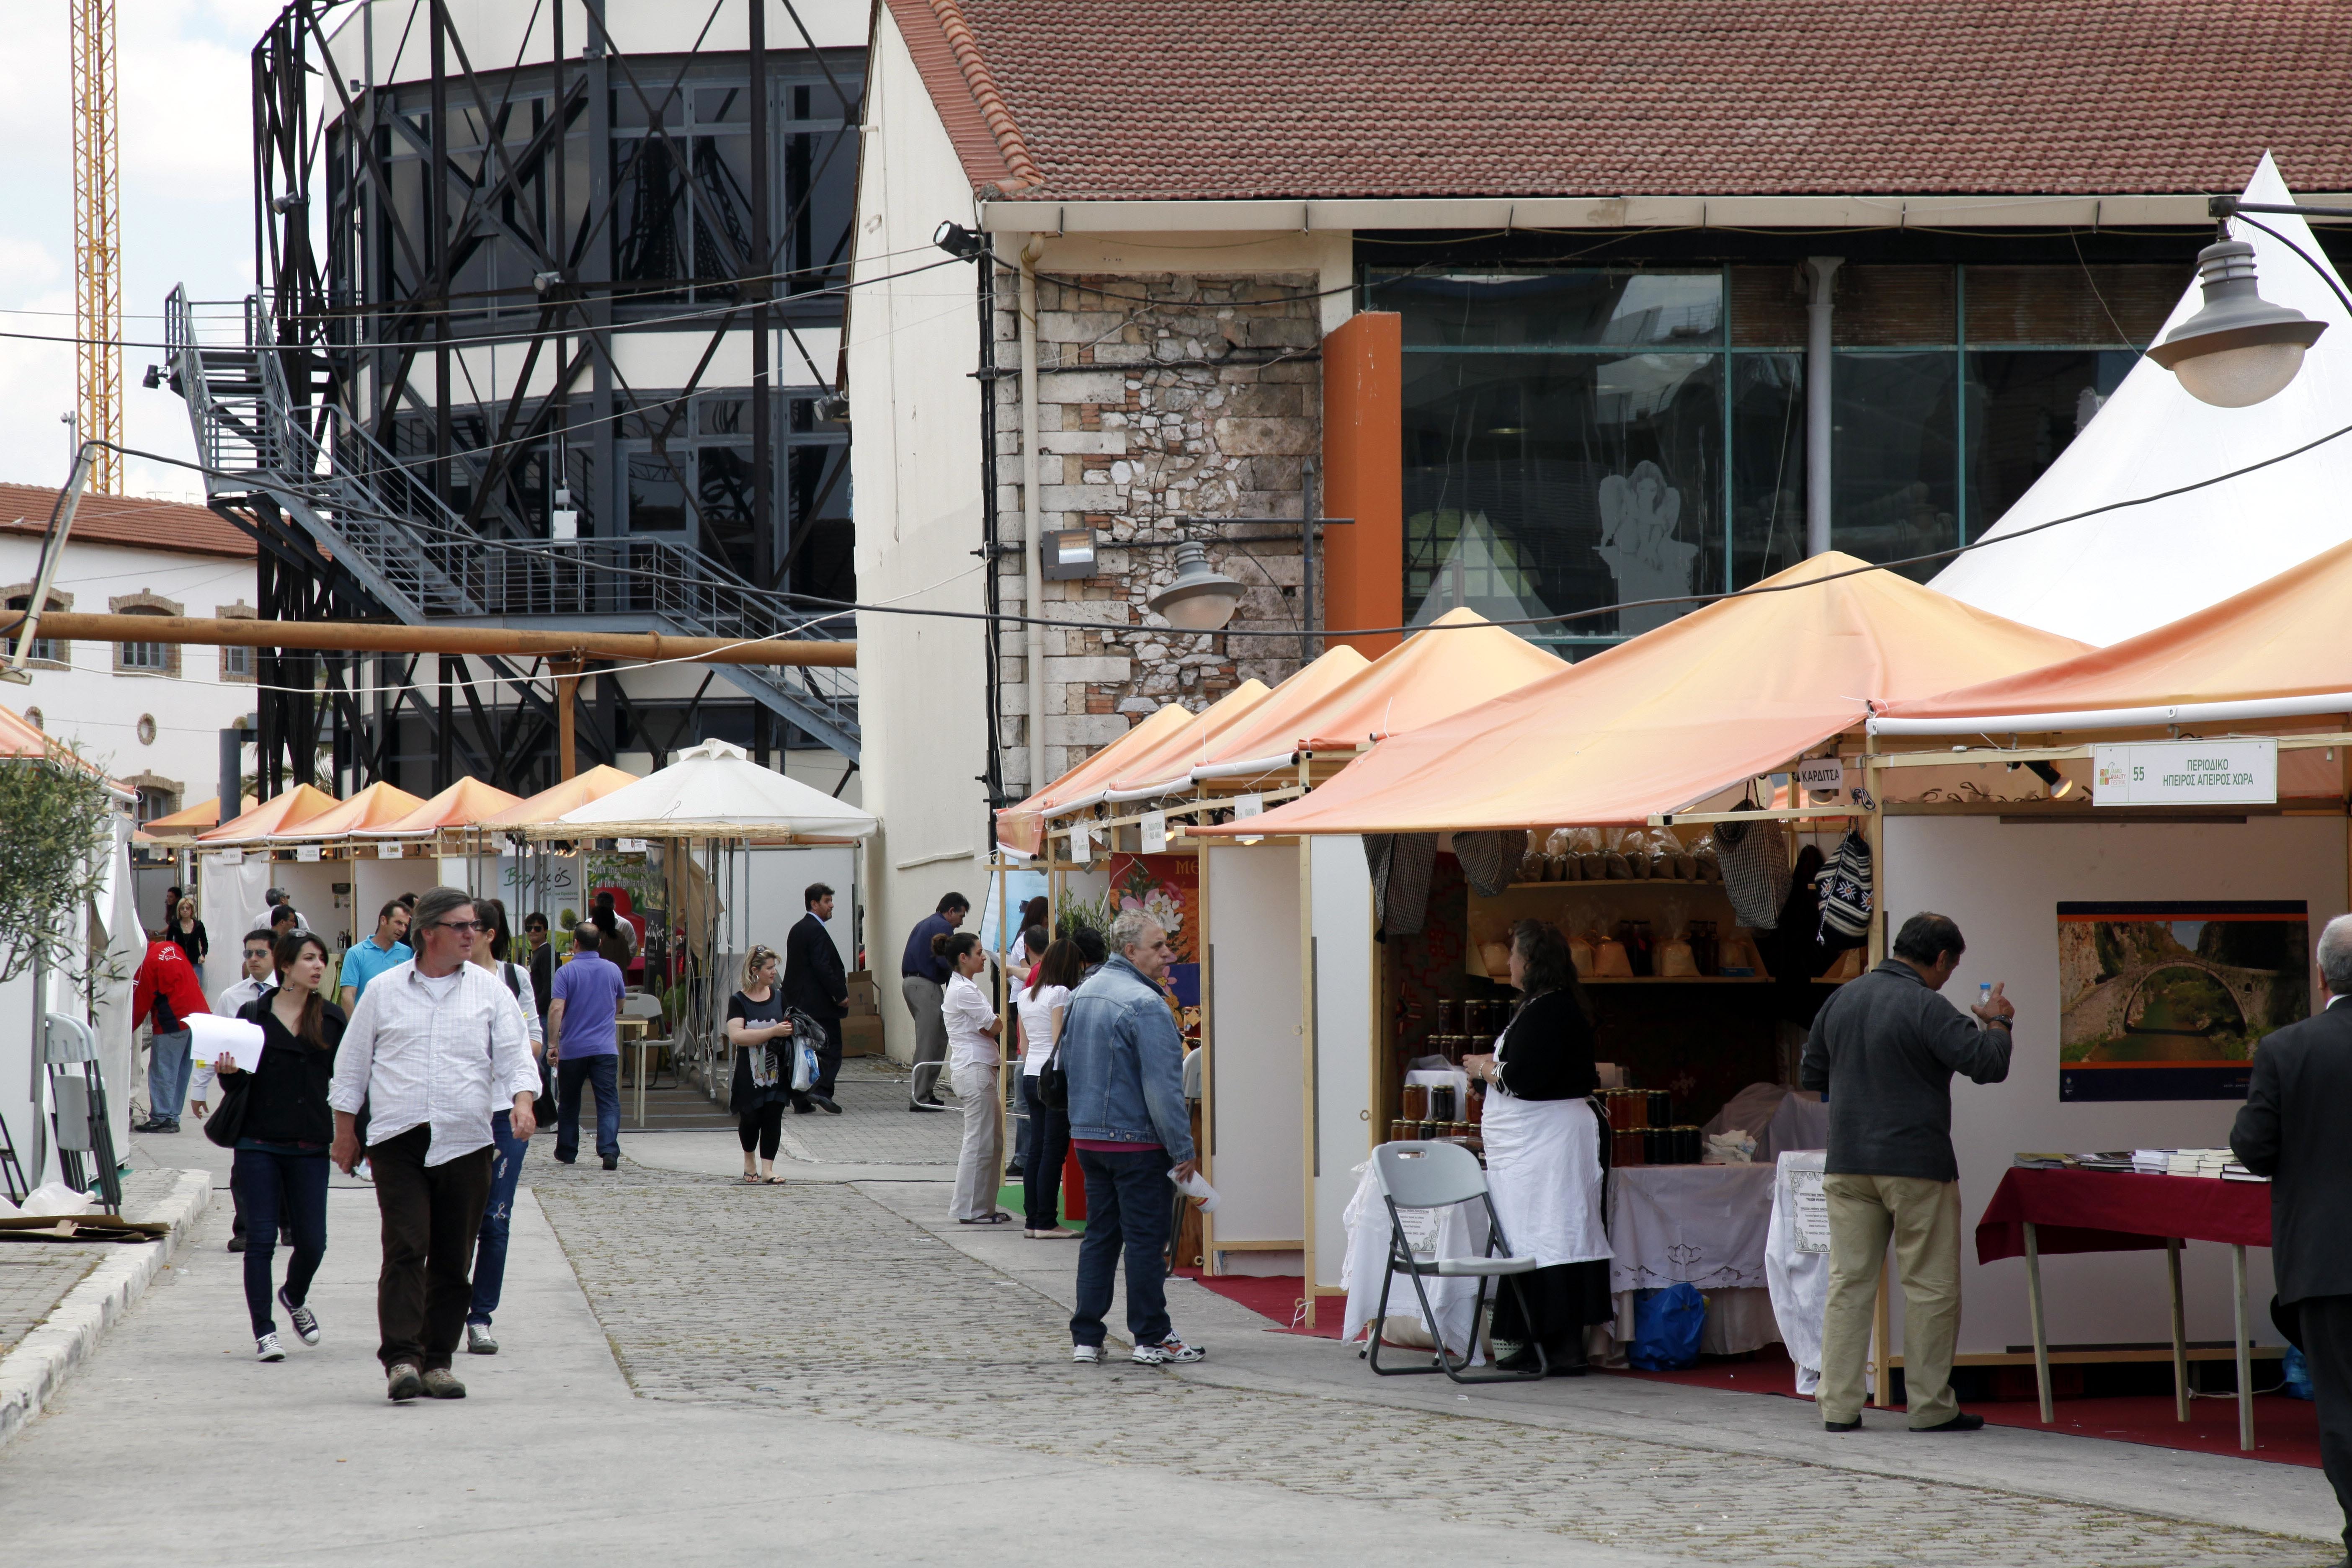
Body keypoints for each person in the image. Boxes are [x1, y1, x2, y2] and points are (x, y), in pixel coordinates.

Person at [1800, 911, 2013, 1434]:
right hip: (1917, 1166)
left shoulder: (1842, 999)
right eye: (1950, 967)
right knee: (1930, 1287)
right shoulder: (1928, 1007)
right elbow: (1988, 1066)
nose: (1947, 978)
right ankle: (1930, 1406)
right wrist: (1999, 1022)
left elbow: (1812, 1072)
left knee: (1848, 1284)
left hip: (1848, 1163)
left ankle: (1838, 1404)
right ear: (1940, 959)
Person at [328, 887, 537, 1402]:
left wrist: (523, 1101)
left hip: (466, 1139)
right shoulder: (384, 990)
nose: (473, 934)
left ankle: (438, 1360)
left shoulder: (491, 992)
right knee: (406, 1246)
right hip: (399, 1138)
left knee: (453, 1254)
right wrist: (345, 1132)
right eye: (461, 926)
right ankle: (401, 1358)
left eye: (475, 926)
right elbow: (352, 1066)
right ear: (429, 933)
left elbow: (515, 1056)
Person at [2232, 915, 2352, 1562]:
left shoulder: (2287, 1049)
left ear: (2321, 974)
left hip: (2328, 1257)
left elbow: (2254, 1148)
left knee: (2342, 1401)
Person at [1461, 920, 1610, 1375]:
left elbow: (1522, 1078)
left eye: (1514, 955)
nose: (1508, 962)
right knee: (1538, 1237)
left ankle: (1559, 1346)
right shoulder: (1547, 1007)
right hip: (1539, 1147)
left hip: (1552, 1147)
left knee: (1554, 1237)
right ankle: (1539, 1341)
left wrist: (1482, 1068)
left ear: (1530, 962)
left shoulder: (1549, 1011)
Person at [1061, 912, 1203, 1366]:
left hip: (1090, 1139)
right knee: (1144, 1241)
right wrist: (1183, 1149)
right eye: (1159, 946)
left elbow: (1066, 1067)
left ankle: (1087, 1337)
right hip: (1137, 1142)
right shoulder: (1146, 1004)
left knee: (1100, 1238)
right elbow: (1163, 1087)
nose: (1169, 954)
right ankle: (1151, 1336)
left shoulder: (1084, 993)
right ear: (1130, 951)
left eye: (1167, 945)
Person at [217, 930, 344, 1362]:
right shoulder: (253, 1014)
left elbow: (347, 1079)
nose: (319, 967)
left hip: (310, 1142)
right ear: (286, 966)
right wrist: (228, 1070)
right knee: (261, 1240)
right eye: (310, 959)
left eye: (322, 960)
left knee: (313, 1242)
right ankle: (264, 1331)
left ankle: (293, 1294)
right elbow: (233, 1083)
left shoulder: (330, 1019)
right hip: (258, 1141)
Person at [462, 898, 542, 1355]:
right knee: (456, 1218)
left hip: (503, 1109)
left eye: (470, 926)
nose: (463, 935)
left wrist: (520, 1087)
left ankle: (480, 1316)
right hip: (458, 1112)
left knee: (496, 1217)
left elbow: (532, 1039)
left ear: (489, 934)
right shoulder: (445, 978)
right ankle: (447, 1304)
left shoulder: (513, 979)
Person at [208, 928, 281, 1254]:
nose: (252, 960)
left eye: (260, 953)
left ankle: (289, 1224)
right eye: (248, 954)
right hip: (246, 1091)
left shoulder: (293, 993)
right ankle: (246, 1229)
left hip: (284, 1090)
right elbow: (215, 1046)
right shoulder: (232, 997)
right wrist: (199, 1092)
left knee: (289, 1162)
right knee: (246, 1165)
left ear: (277, 956)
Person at [1016, 938, 1084, 1240]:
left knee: (1037, 1150)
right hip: (1053, 1077)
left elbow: (1027, 1043)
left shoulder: (1026, 995)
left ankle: (1033, 1219)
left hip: (1030, 1073)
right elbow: (1061, 1041)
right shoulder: (1061, 994)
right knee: (1053, 1152)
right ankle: (1046, 1221)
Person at [940, 931, 1008, 1224]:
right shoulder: (963, 990)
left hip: (980, 1069)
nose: (983, 957)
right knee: (979, 1142)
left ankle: (983, 1207)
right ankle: (971, 1210)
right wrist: (992, 1025)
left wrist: (990, 1026)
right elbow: (995, 1026)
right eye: (979, 952)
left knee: (992, 1143)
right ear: (963, 958)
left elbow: (990, 1027)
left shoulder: (965, 987)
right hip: (975, 1069)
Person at [548, 923, 626, 1170]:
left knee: (570, 1101)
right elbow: (620, 1002)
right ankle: (609, 1150)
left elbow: (557, 1008)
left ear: (576, 944)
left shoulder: (566, 973)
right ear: (600, 943)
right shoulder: (613, 970)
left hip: (573, 1049)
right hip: (605, 1048)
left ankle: (567, 1151)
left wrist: (553, 1043)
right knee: (608, 1100)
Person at [727, 945, 797, 1183]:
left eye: (774, 967)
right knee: (751, 1119)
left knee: (773, 1117)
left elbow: (789, 1027)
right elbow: (737, 1037)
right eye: (769, 968)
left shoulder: (779, 997)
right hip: (750, 1074)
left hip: (777, 1070)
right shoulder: (738, 1001)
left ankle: (768, 1169)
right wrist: (773, 1031)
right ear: (755, 971)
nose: (774, 972)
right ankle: (749, 1160)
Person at [132, 936, 210, 1133]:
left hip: (173, 1021)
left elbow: (141, 1002)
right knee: (182, 1070)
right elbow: (195, 978)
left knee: (164, 1069)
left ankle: (161, 1117)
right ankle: (173, 1116)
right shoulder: (172, 947)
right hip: (198, 1017)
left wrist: (126, 1029)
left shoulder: (147, 963)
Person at [782, 882, 848, 1114]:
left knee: (803, 1050)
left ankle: (800, 1098)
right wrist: (840, 995)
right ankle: (821, 1090)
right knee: (831, 1047)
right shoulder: (816, 930)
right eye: (827, 901)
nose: (832, 906)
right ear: (814, 904)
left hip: (798, 1003)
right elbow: (823, 967)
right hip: (819, 1004)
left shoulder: (798, 928)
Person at [900, 892, 969, 1112]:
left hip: (916, 983)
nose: (961, 922)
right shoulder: (943, 927)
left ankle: (926, 1093)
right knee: (930, 1041)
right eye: (961, 916)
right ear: (950, 912)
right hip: (925, 985)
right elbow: (945, 962)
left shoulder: (925, 923)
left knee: (938, 1038)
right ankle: (920, 1096)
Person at [340, 899, 414, 1010]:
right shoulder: (356, 953)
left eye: (406, 925)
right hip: (367, 1022)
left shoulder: (407, 953)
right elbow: (348, 996)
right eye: (398, 923)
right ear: (384, 921)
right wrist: (356, 1026)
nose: (402, 929)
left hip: (397, 1023)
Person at [523, 912, 556, 1116]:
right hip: (539, 1013)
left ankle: (547, 1110)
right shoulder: (538, 953)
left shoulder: (546, 953)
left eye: (537, 928)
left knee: (542, 1064)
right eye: (529, 928)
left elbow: (548, 988)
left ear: (545, 931)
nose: (533, 932)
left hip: (542, 1015)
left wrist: (537, 1009)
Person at [168, 895, 209, 980]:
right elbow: (169, 942)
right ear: (179, 911)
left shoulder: (199, 925)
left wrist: (203, 955)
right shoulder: (174, 925)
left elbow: (204, 943)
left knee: (196, 985)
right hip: (179, 961)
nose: (185, 911)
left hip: (195, 962)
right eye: (182, 909)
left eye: (187, 908)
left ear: (192, 910)